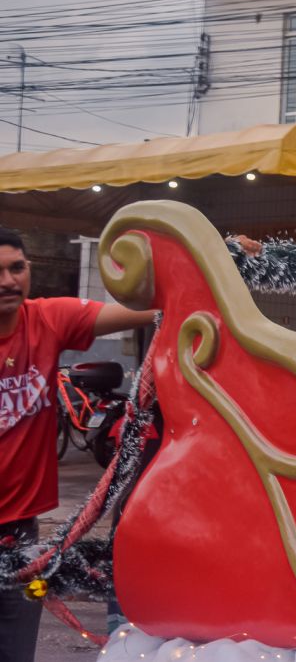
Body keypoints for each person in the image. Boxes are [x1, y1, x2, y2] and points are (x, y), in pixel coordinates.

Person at [0, 227, 156, 662]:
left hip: (21, 536)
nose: (8, 281)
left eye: (16, 268)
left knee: (16, 651)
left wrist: (224, 256)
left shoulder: (46, 319)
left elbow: (152, 308)